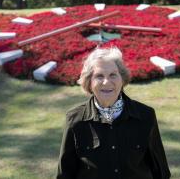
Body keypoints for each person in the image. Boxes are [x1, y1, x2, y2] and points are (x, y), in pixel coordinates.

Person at [56, 47, 171, 179]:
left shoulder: (146, 116)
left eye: (113, 75)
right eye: (99, 76)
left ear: (122, 79)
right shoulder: (74, 120)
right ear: (89, 82)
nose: (106, 82)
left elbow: (160, 171)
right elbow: (64, 174)